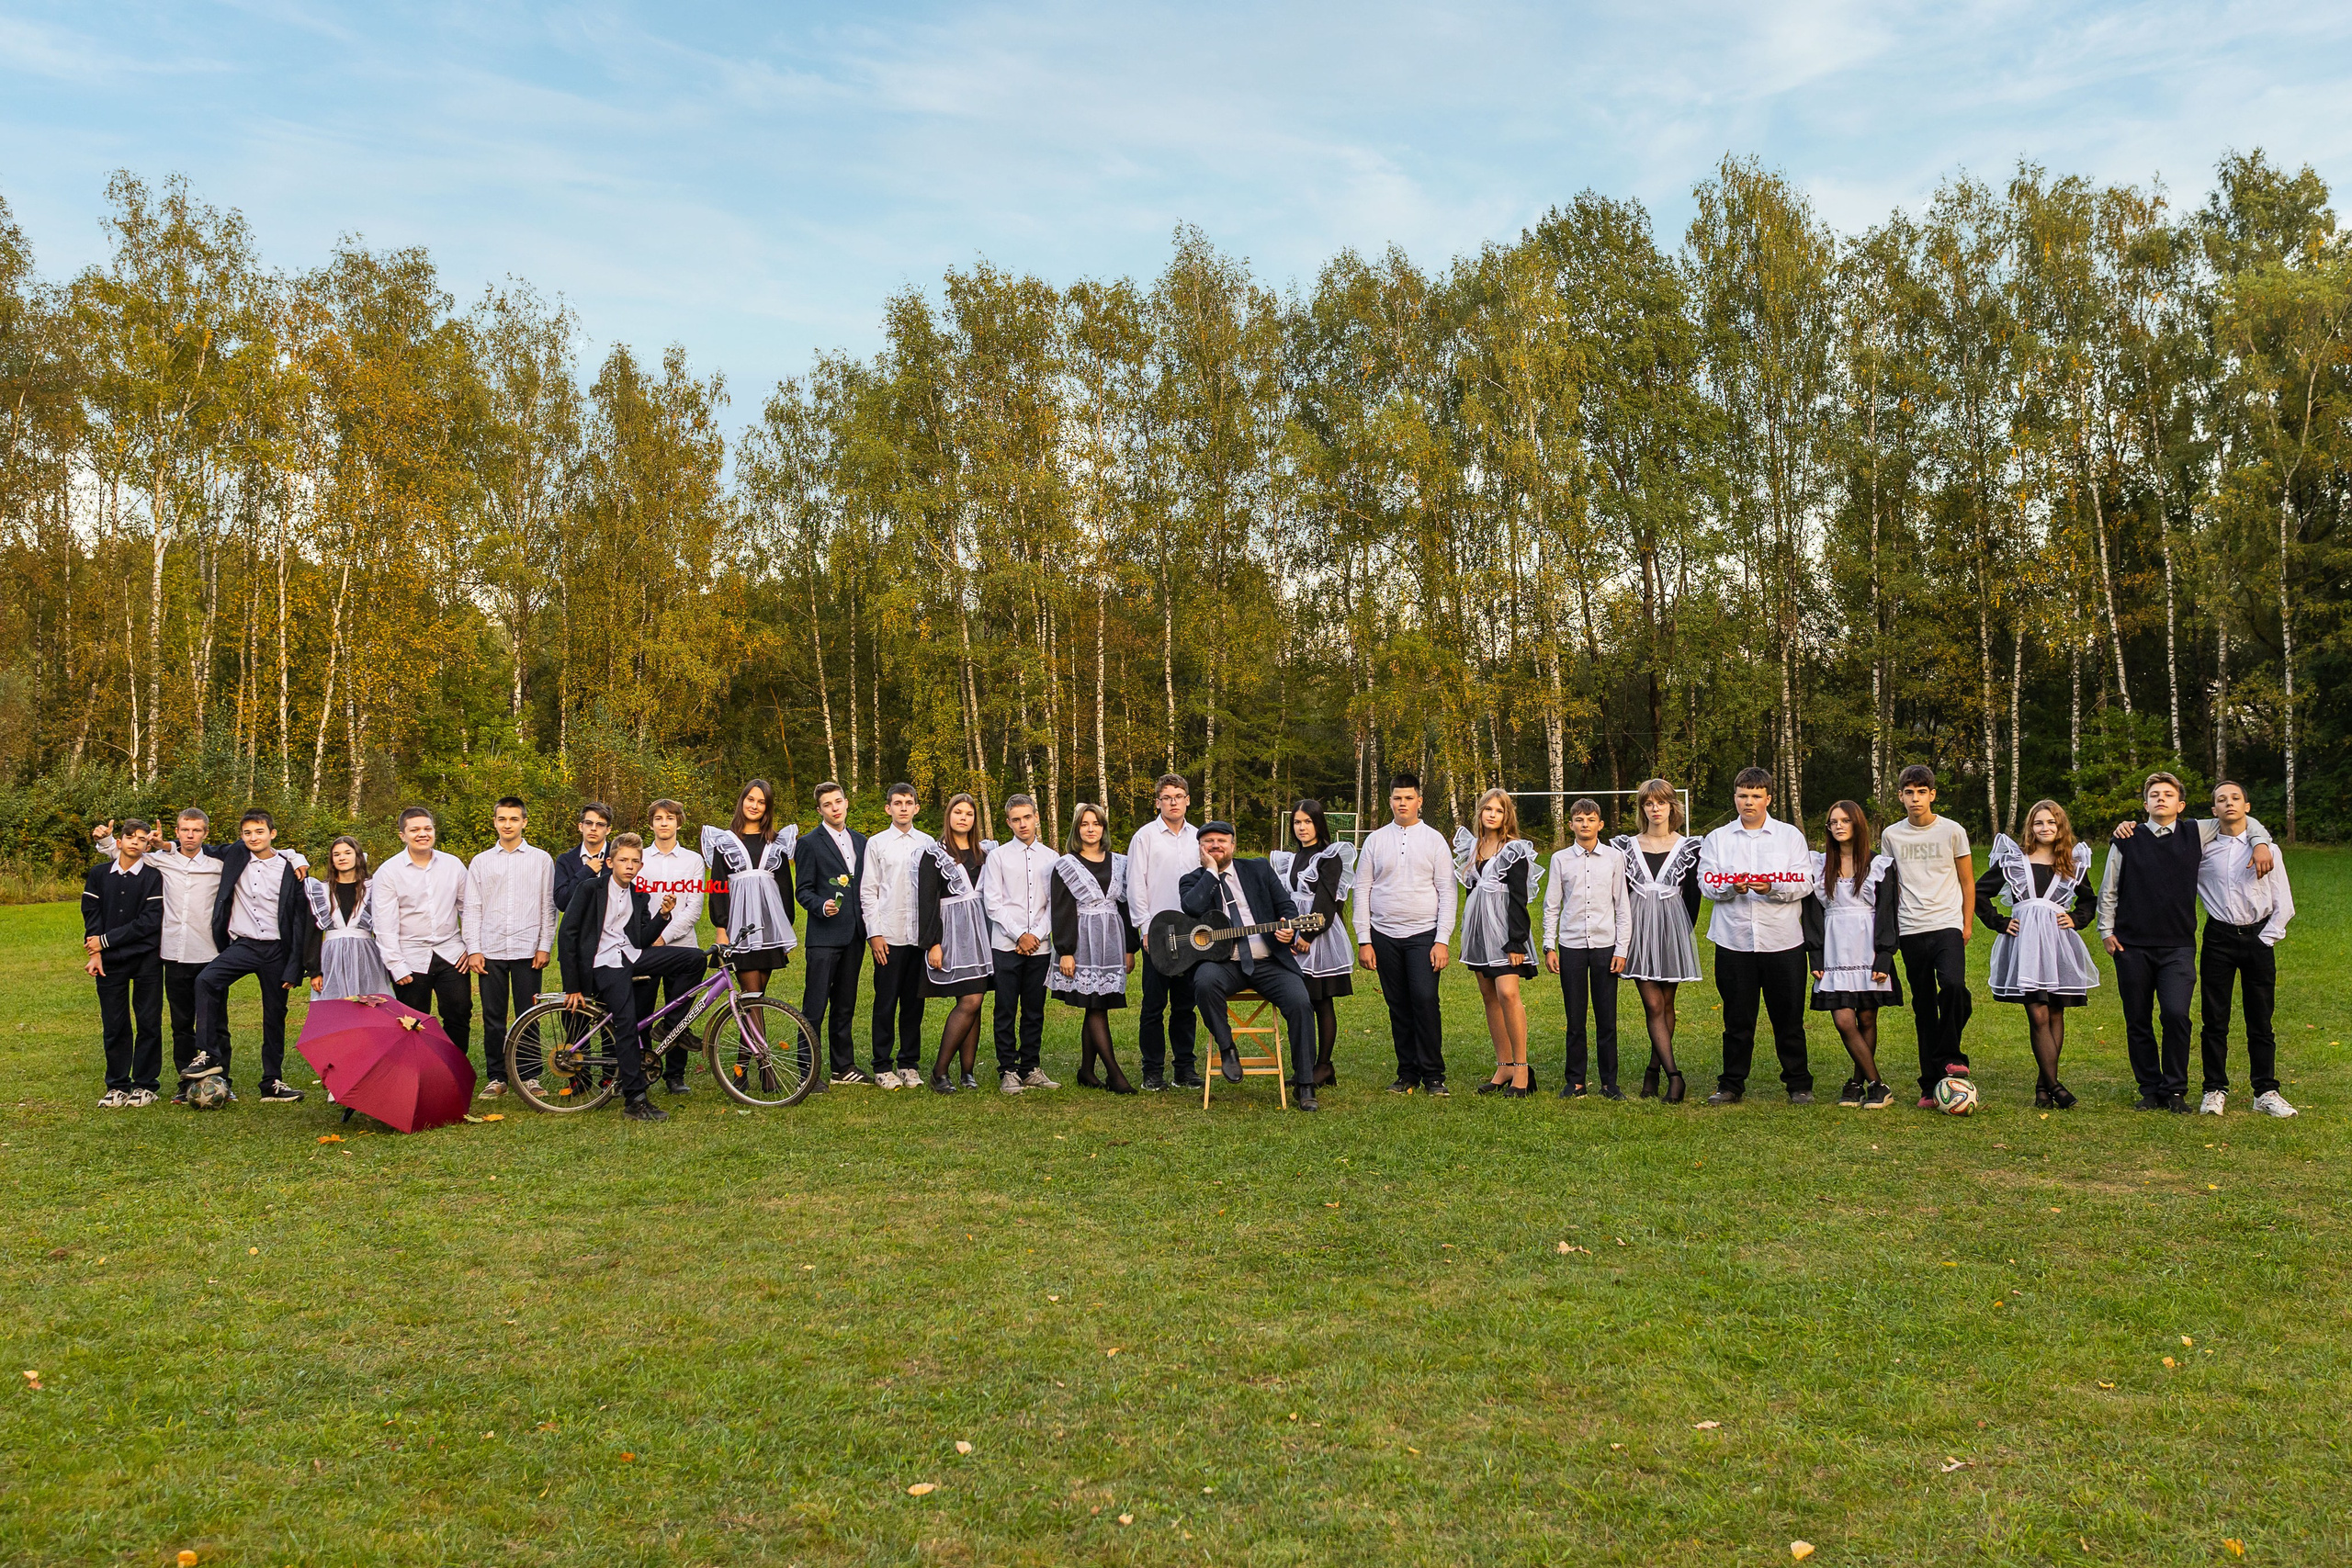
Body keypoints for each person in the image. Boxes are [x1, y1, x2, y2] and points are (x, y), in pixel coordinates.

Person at [2111, 784, 2289, 1115]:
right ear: (2211, 811)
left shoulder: (2267, 849)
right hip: (2217, 939)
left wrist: (2261, 843)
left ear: (2247, 806)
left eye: (2235, 799)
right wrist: (2125, 827)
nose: (2228, 804)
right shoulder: (2200, 844)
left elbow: (2284, 900)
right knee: (2214, 1019)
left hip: (2259, 938)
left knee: (2261, 1020)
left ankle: (2265, 1091)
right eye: (2221, 800)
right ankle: (2214, 1088)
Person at [1181, 820, 1321, 1111]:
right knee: (1204, 982)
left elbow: (1286, 907)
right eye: (1208, 842)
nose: (1216, 846)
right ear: (1200, 849)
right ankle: (1227, 1048)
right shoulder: (1192, 880)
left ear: (1233, 844)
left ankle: (1305, 1083)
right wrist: (1211, 872)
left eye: (1221, 840)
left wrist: (1287, 928)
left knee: (1300, 1002)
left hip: (1268, 960)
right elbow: (1192, 907)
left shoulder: (1258, 869)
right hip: (1223, 964)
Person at [1698, 768, 1815, 1105]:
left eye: (1755, 796)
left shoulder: (1789, 836)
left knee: (1789, 1018)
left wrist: (1773, 887)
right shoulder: (1718, 838)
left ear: (1768, 799)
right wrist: (1729, 887)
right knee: (1737, 1018)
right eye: (1742, 795)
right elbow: (1706, 883)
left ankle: (1798, 1085)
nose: (1748, 802)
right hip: (1734, 941)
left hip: (1783, 941)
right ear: (1735, 798)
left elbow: (1805, 882)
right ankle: (1731, 1084)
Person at [93, 810, 227, 1097]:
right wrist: (106, 841)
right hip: (173, 953)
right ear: (176, 832)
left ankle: (222, 1082)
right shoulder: (158, 860)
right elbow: (123, 859)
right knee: (181, 1024)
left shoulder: (218, 864)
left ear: (206, 833)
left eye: (197, 830)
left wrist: (296, 858)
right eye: (185, 829)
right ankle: (185, 1084)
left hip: (210, 953)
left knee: (216, 1022)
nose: (190, 835)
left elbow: (257, 858)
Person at [1976, 800, 2098, 1110]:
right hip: (2026, 944)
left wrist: (2077, 918)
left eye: (2051, 823)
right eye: (2039, 823)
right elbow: (1979, 893)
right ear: (2030, 827)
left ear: (2061, 828)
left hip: (2057, 944)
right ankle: (2055, 1086)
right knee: (2038, 1013)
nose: (2045, 829)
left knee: (2056, 1011)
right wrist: (2000, 922)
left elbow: (2089, 900)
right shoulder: (2014, 862)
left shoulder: (2072, 864)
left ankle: (2043, 1088)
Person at [190, 809, 312, 1103]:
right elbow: (200, 847)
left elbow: (300, 921)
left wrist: (294, 968)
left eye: (259, 832)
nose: (253, 838)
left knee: (274, 1016)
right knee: (206, 981)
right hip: (242, 946)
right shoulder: (235, 854)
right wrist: (164, 844)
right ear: (241, 836)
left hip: (276, 951)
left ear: (273, 834)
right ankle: (208, 1055)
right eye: (247, 833)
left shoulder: (289, 868)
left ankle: (272, 1082)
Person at [1877, 765, 1976, 1108]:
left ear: (1932, 795)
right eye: (1909, 792)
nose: (1915, 798)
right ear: (1901, 796)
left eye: (1922, 791)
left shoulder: (1952, 831)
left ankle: (1951, 1054)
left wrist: (1966, 924)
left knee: (1952, 987)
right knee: (1923, 1006)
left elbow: (1967, 881)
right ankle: (1928, 1084)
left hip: (1947, 923)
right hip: (1910, 928)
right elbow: (1888, 887)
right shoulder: (1891, 835)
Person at [1352, 772, 1456, 1096]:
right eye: (1397, 798)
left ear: (1419, 801)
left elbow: (1448, 891)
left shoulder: (1434, 840)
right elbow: (1362, 890)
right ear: (1390, 801)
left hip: (1424, 934)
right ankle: (1407, 1073)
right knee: (1398, 1004)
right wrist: (1364, 939)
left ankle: (1434, 1075)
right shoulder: (1375, 840)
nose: (1402, 803)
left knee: (1425, 1000)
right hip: (1384, 935)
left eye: (1409, 798)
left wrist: (1442, 940)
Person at [557, 833, 669, 1122]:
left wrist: (663, 916)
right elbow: (567, 934)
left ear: (641, 866)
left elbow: (642, 938)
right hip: (602, 966)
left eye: (634, 862)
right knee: (627, 1025)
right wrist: (572, 986)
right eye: (623, 860)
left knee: (693, 959)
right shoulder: (589, 889)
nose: (629, 866)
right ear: (610, 862)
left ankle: (669, 1024)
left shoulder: (638, 896)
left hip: (631, 958)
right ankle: (635, 1100)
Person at [1803, 801, 1900, 1110]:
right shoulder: (1819, 865)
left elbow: (1888, 913)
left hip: (1867, 945)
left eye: (1845, 821)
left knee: (1867, 1016)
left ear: (1858, 825)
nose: (1839, 826)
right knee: (1844, 1019)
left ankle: (1857, 1083)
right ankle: (1878, 1084)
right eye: (1833, 822)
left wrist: (1884, 955)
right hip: (1833, 947)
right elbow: (1812, 912)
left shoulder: (1880, 865)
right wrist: (1815, 955)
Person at [463, 796, 556, 1098]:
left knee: (528, 1012)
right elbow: (473, 907)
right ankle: (497, 1076)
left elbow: (547, 905)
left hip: (528, 948)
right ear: (495, 822)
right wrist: (474, 948)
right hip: (491, 949)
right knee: (493, 1015)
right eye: (502, 819)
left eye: (514, 819)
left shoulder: (541, 859)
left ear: (524, 822)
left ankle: (529, 1076)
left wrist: (544, 945)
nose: (507, 825)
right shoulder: (481, 862)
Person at [1615, 778, 1701, 1104]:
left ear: (1671, 807)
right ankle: (1675, 1076)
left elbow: (1692, 896)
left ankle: (1653, 1070)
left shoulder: (1688, 847)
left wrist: (1681, 933)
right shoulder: (1626, 846)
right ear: (1642, 808)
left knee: (1666, 1004)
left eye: (1661, 803)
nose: (1655, 809)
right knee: (1652, 1004)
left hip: (1672, 930)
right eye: (1649, 803)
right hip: (1638, 931)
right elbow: (1620, 894)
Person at [373, 807, 472, 1083]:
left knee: (459, 1012)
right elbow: (384, 924)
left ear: (434, 831)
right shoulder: (389, 872)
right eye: (415, 830)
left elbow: (469, 909)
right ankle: (416, 1075)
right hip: (410, 956)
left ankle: (455, 1071)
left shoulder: (453, 865)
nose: (422, 834)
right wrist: (396, 964)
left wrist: (471, 947)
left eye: (427, 828)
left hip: (451, 952)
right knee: (412, 1021)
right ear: (402, 834)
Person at [1454, 789, 1542, 1098]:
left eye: (1499, 810)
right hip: (1478, 931)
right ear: (1480, 813)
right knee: (1489, 994)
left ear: (1507, 816)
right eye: (1487, 809)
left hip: (1505, 931)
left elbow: (1519, 898)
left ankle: (1522, 1070)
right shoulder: (1473, 847)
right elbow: (1470, 891)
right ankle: (1503, 1065)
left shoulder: (1514, 849)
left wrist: (1516, 941)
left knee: (1508, 992)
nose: (1492, 814)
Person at [1544, 797, 1630, 1100]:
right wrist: (1548, 945)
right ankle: (1575, 1081)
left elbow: (1623, 907)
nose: (1585, 824)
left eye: (1591, 819)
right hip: (1571, 946)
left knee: (1607, 1018)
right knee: (1575, 1018)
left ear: (1600, 824)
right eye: (1579, 819)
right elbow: (1552, 906)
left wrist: (1622, 949)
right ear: (1571, 825)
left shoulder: (1614, 859)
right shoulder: (1560, 860)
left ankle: (1610, 1083)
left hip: (1606, 946)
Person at [1050, 801, 1137, 1093]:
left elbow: (1125, 908)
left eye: (1096, 823)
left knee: (1096, 1005)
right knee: (1096, 1006)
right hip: (1082, 940)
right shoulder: (1066, 865)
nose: (1091, 829)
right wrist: (1065, 951)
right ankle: (1115, 1074)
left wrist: (1130, 948)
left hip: (1112, 940)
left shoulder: (1120, 862)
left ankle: (1087, 1071)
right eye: (1085, 824)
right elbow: (1061, 910)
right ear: (1077, 828)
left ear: (1103, 828)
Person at [1268, 799, 1355, 1088]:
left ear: (1318, 823)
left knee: (1321, 1000)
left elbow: (1326, 903)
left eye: (1307, 821)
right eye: (1297, 822)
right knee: (1300, 1000)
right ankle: (1305, 1064)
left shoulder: (1329, 857)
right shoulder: (1291, 859)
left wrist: (1307, 936)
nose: (1302, 827)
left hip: (1318, 936)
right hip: (1293, 935)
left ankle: (1324, 1065)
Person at [1126, 773, 1203, 1091]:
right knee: (1154, 1005)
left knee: (1185, 1005)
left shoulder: (1198, 837)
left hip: (1192, 932)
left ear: (1187, 800)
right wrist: (1145, 928)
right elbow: (1135, 885)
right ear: (1158, 802)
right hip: (1156, 932)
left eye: (1179, 796)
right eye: (1167, 797)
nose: (1173, 802)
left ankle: (1184, 1068)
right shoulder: (1145, 837)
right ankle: (1152, 1070)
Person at [83, 818, 164, 1106]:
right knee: (115, 1024)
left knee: (148, 1022)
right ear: (119, 842)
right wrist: (96, 952)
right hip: (110, 962)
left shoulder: (153, 876)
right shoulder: (99, 874)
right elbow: (91, 915)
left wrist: (105, 941)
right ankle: (117, 1085)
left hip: (147, 959)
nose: (135, 841)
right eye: (130, 836)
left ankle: (145, 1085)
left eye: (142, 839)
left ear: (146, 846)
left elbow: (149, 922)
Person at [981, 794, 1059, 1094]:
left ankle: (1031, 1067)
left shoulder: (1051, 857)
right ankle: (1008, 1070)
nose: (1022, 824)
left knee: (1034, 1009)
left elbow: (1055, 904)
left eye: (1027, 817)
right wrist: (1019, 935)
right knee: (1004, 1008)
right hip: (1006, 945)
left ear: (1036, 817)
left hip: (1040, 947)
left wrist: (1036, 935)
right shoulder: (998, 857)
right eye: (1016, 819)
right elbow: (993, 903)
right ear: (1008, 822)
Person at [794, 783, 869, 1088]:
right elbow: (803, 890)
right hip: (824, 936)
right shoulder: (809, 843)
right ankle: (807, 1073)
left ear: (846, 803)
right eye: (828, 804)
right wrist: (821, 906)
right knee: (815, 1005)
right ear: (820, 810)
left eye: (839, 801)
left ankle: (843, 1067)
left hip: (855, 934)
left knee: (845, 1004)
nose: (835, 808)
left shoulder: (862, 842)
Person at [860, 783, 934, 1089]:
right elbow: (868, 891)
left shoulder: (928, 843)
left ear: (917, 807)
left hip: (918, 935)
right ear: (888, 808)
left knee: (914, 1003)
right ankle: (881, 1065)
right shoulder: (877, 844)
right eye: (897, 803)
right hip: (889, 936)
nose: (903, 807)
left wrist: (932, 937)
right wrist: (874, 934)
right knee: (886, 1001)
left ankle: (908, 1063)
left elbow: (934, 893)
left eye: (909, 802)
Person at [919, 793, 994, 1093]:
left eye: (969, 814)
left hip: (981, 932)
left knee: (975, 999)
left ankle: (967, 1072)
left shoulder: (985, 852)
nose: (963, 817)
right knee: (970, 1000)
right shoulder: (934, 854)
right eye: (958, 812)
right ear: (948, 816)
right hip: (950, 932)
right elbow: (927, 902)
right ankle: (939, 1071)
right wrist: (933, 943)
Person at [637, 798, 710, 1093]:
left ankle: (675, 1076)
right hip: (646, 947)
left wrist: (664, 936)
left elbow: (694, 908)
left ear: (679, 823)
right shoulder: (640, 858)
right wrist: (650, 936)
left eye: (669, 818)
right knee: (643, 1013)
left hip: (682, 946)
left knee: (679, 1010)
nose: (664, 823)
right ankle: (642, 1068)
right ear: (651, 823)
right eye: (658, 818)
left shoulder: (692, 860)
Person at [703, 778, 799, 995]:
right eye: (750, 799)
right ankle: (757, 1032)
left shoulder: (777, 843)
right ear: (742, 801)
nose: (754, 806)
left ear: (768, 807)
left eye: (761, 802)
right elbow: (717, 886)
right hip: (738, 931)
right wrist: (721, 929)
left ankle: (747, 1031)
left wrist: (784, 930)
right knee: (751, 992)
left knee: (757, 997)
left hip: (768, 930)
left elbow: (785, 889)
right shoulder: (725, 841)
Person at [305, 836, 393, 1000]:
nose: (342, 858)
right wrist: (315, 971)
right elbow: (313, 933)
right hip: (332, 956)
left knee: (371, 1005)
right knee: (335, 1008)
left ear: (357, 856)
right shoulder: (321, 890)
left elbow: (385, 927)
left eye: (347, 852)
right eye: (336, 854)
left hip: (366, 956)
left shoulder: (372, 887)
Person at [551, 802, 614, 924]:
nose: (593, 828)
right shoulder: (565, 860)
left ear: (608, 830)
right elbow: (562, 902)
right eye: (589, 823)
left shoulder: (618, 858)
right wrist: (586, 871)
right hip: (578, 935)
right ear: (581, 826)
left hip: (613, 934)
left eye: (600, 824)